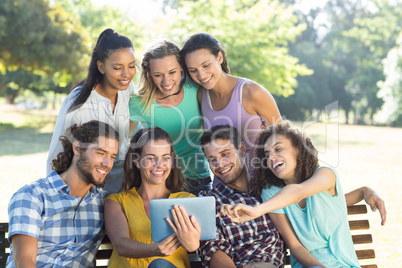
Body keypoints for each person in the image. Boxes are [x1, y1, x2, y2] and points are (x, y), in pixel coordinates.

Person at [219, 121, 387, 267]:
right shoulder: (271, 194)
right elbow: (295, 246)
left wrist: (366, 190)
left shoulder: (325, 174)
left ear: (299, 149)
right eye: (267, 154)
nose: (272, 157)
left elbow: (302, 193)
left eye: (278, 149)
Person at [197, 124, 334, 268]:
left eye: (225, 154)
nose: (219, 164)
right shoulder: (210, 200)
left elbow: (313, 198)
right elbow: (213, 249)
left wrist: (359, 191)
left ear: (242, 150)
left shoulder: (271, 190)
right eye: (212, 159)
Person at [7, 120, 119, 268]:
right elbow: (24, 261)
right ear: (77, 148)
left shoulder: (105, 203)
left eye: (112, 157)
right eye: (100, 153)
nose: (107, 164)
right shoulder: (32, 195)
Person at [47, 28, 140, 194]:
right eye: (118, 67)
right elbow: (57, 155)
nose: (127, 74)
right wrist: (57, 198)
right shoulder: (79, 105)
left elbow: (124, 132)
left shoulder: (127, 89)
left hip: (122, 182)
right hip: (88, 187)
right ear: (101, 67)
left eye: (131, 66)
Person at [180, 32, 282, 178]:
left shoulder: (251, 92)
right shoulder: (202, 96)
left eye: (206, 65)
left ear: (219, 57)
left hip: (261, 182)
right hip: (224, 185)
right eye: (193, 71)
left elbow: (284, 140)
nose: (201, 75)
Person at [104, 127, 201, 268]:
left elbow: (196, 246)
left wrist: (192, 244)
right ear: (136, 161)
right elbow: (121, 244)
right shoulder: (117, 201)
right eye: (151, 158)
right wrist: (155, 250)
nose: (159, 165)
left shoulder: (187, 201)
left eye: (165, 158)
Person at [129, 39, 211, 195]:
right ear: (149, 74)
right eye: (158, 75)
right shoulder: (139, 103)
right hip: (162, 183)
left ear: (181, 67)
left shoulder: (195, 87)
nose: (166, 82)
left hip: (200, 179)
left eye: (172, 72)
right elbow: (118, 142)